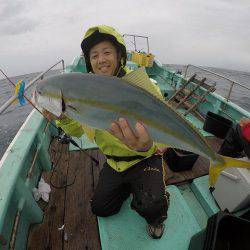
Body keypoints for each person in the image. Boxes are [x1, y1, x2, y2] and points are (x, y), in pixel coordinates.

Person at [44, 25, 170, 239]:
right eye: (94, 55)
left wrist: (149, 146)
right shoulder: (85, 92)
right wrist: (63, 119)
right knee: (101, 208)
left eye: (107, 52)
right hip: (114, 162)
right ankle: (132, 187)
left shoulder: (141, 86)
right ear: (89, 62)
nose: (101, 59)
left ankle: (159, 207)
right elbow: (78, 131)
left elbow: (164, 129)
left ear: (119, 55)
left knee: (152, 205)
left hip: (146, 160)